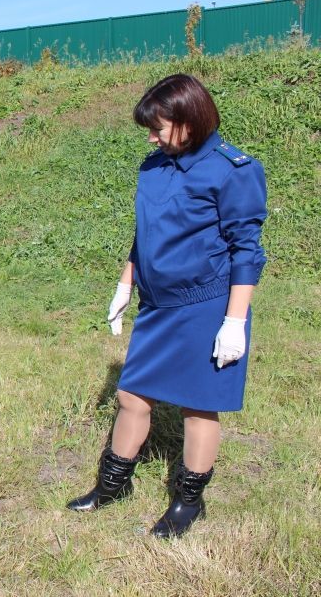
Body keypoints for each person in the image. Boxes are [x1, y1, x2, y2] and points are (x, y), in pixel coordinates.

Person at [66, 74, 268, 538]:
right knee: (131, 394)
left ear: (189, 120)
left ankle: (188, 503)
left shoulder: (232, 170)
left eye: (158, 128)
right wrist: (125, 282)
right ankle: (113, 485)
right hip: (158, 305)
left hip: (208, 304)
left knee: (199, 406)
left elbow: (246, 250)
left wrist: (234, 321)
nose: (151, 138)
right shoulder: (153, 167)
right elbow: (146, 233)